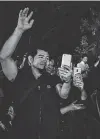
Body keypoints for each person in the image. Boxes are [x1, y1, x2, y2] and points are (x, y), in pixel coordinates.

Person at [0, 8, 72, 139]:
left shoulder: (51, 78)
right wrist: (19, 31)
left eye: (47, 58)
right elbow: (4, 57)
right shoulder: (18, 76)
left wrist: (67, 81)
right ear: (30, 59)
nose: (45, 60)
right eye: (41, 57)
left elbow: (63, 94)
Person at [59, 73, 88, 139]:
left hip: (79, 126)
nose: (77, 80)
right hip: (65, 126)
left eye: (79, 78)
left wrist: (82, 89)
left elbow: (84, 102)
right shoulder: (63, 89)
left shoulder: (83, 89)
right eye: (76, 77)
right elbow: (58, 111)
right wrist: (70, 107)